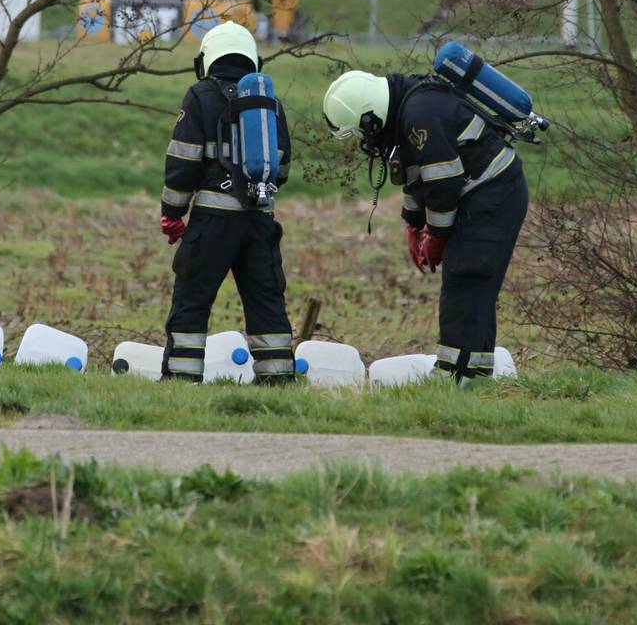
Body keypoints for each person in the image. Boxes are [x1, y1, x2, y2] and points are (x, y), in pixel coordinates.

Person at [322, 69, 528, 384]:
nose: (364, 141)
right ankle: (476, 375)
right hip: (485, 195)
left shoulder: (419, 114)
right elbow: (416, 176)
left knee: (465, 279)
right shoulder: (407, 109)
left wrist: (436, 236)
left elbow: (443, 185)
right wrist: (413, 224)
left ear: (370, 119)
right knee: (475, 287)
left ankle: (450, 375)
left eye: (361, 133)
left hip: (493, 197)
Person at [158, 21, 295, 383]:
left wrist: (172, 213)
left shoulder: (200, 96)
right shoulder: (270, 103)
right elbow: (281, 167)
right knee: (267, 302)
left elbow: (183, 161)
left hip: (212, 221)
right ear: (254, 60)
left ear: (206, 59)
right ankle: (278, 379)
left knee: (192, 300)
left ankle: (181, 381)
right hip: (260, 220)